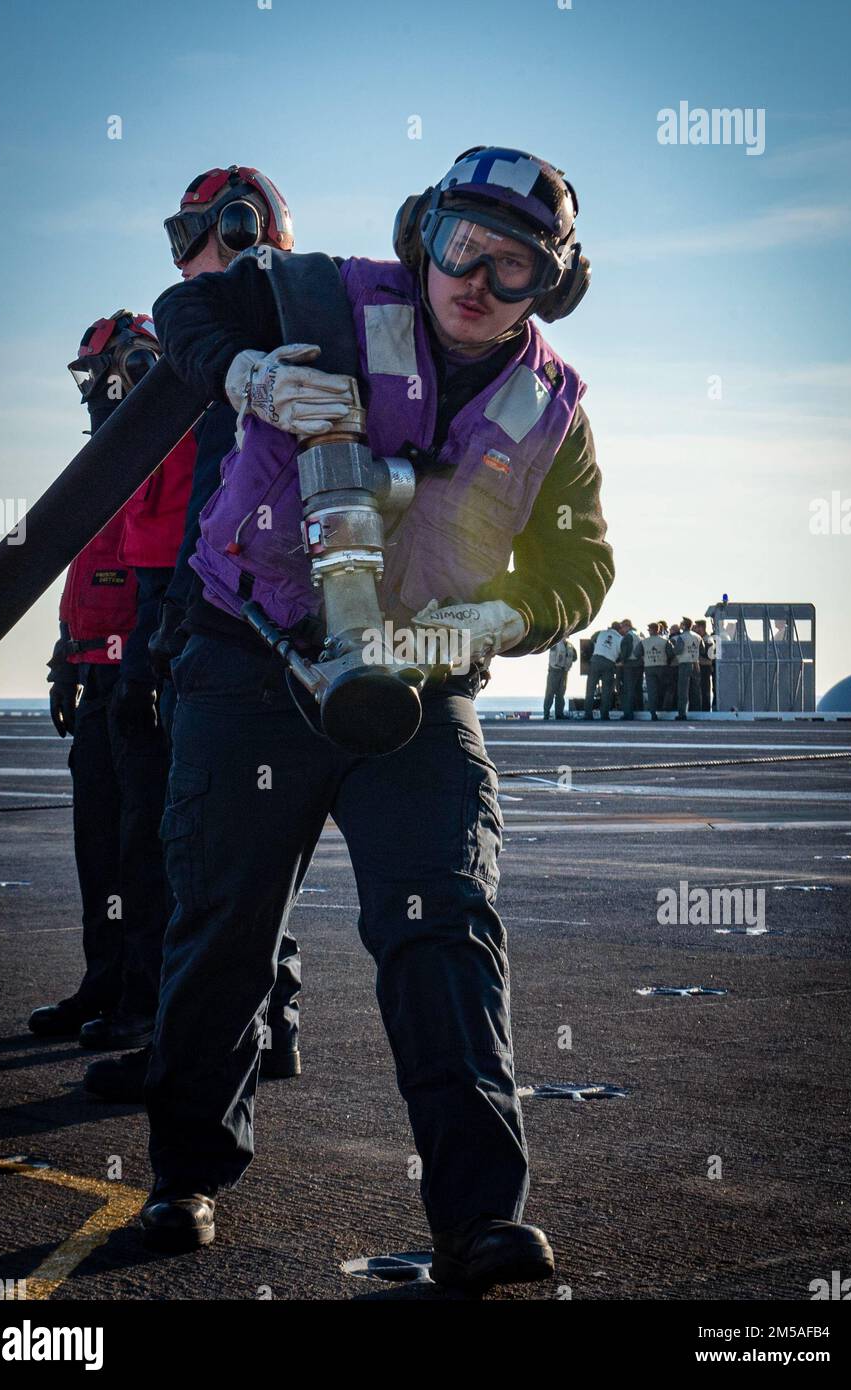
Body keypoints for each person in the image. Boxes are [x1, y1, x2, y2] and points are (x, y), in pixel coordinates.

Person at [139, 145, 613, 1290]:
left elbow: (580, 568)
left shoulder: (550, 412)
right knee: (222, 927)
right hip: (253, 662)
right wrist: (244, 373)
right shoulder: (320, 296)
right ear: (423, 232)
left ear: (551, 286)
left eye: (516, 270)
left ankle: (479, 1216)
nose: (477, 283)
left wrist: (495, 619)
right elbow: (185, 305)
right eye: (461, 249)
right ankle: (185, 1172)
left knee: (444, 928)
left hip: (417, 691)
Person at [86, 167, 304, 1103]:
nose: (183, 255)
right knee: (231, 853)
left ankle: (217, 1043)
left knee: (209, 853)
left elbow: (216, 508)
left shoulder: (265, 339)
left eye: (195, 230)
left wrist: (170, 631)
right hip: (226, 619)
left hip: (238, 630)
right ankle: (254, 1029)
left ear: (244, 226)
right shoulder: (236, 348)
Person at [31, 315, 194, 1053]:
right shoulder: (105, 462)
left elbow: (159, 571)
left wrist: (142, 672)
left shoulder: (162, 450)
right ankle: (105, 983)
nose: (88, 390)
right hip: (96, 675)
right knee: (97, 846)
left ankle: (144, 998)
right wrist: (67, 656)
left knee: (141, 851)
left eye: (91, 373)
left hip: (140, 683)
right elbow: (86, 574)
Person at [583, 622, 622, 720]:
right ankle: (604, 714)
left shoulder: (601, 633)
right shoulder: (620, 639)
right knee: (606, 690)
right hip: (609, 663)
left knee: (590, 689)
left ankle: (588, 714)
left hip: (595, 661)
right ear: (619, 629)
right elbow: (621, 654)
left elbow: (592, 639)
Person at [641, 622, 672, 719]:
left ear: (651, 630)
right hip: (662, 666)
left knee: (651, 691)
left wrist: (645, 658)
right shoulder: (665, 641)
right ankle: (664, 708)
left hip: (649, 667)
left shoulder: (644, 642)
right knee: (664, 688)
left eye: (649, 629)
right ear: (658, 630)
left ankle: (653, 713)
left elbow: (637, 653)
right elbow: (671, 653)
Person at [672, 617, 702, 720]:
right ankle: (697, 711)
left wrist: (673, 648)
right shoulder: (697, 637)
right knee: (696, 690)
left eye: (681, 624)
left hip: (685, 664)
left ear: (684, 626)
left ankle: (682, 714)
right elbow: (702, 650)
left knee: (683, 691)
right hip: (696, 664)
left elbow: (678, 651)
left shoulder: (682, 637)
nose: (680, 625)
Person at [543, 637, 576, 719]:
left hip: (564, 672)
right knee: (550, 693)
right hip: (554, 671)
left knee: (560, 694)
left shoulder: (570, 646)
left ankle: (559, 714)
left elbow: (575, 657)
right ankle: (546, 714)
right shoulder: (554, 643)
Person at [618, 618, 643, 720]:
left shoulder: (628, 636)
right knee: (638, 689)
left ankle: (628, 713)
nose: (621, 630)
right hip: (639, 664)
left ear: (626, 626)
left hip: (630, 664)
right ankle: (640, 709)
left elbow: (626, 651)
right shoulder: (638, 635)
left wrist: (622, 661)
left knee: (628, 689)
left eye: (622, 627)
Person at [693, 618, 714, 712]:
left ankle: (705, 709)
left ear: (701, 628)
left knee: (705, 689)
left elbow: (709, 656)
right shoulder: (701, 639)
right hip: (700, 666)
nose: (695, 630)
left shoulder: (708, 640)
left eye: (697, 628)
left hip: (705, 667)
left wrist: (700, 651)